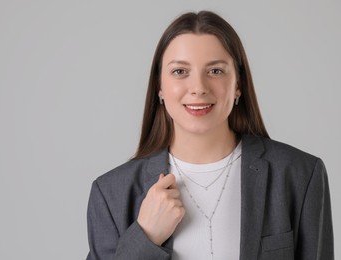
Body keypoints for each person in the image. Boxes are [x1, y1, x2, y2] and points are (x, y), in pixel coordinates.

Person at [86, 10, 334, 260]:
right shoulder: (111, 193)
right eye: (180, 71)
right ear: (159, 88)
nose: (198, 88)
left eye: (215, 71)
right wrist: (145, 237)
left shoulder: (299, 174)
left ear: (238, 85)